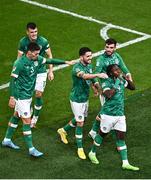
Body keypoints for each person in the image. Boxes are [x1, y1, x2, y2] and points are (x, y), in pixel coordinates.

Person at [2, 42, 74, 157]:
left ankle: (6, 140)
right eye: (35, 54)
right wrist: (12, 97)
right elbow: (12, 81)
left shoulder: (37, 59)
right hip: (21, 97)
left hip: (28, 95)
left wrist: (65, 62)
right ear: (29, 52)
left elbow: (50, 61)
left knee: (16, 116)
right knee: (27, 121)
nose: (37, 56)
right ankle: (31, 149)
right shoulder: (19, 63)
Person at [57, 47, 108, 160]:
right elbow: (84, 76)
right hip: (76, 99)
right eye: (88, 56)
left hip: (84, 98)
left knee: (80, 118)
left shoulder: (88, 66)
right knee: (80, 123)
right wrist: (98, 75)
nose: (90, 58)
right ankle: (80, 148)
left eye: (91, 55)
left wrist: (98, 89)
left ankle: (63, 130)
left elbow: (91, 79)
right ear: (81, 57)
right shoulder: (76, 68)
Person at [88, 64, 139, 171]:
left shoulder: (120, 79)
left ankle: (125, 163)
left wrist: (127, 79)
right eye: (116, 70)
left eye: (118, 69)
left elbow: (133, 87)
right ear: (110, 73)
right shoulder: (107, 82)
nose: (118, 71)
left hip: (120, 115)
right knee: (102, 134)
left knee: (121, 138)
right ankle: (92, 153)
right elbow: (108, 95)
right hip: (108, 115)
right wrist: (116, 84)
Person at [89, 38, 133, 139]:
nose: (108, 49)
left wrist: (129, 76)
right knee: (105, 110)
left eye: (111, 47)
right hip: (107, 88)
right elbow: (95, 74)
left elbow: (124, 67)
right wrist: (96, 87)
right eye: (107, 47)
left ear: (115, 48)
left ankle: (94, 130)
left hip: (117, 87)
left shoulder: (117, 56)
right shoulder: (101, 60)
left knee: (105, 109)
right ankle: (94, 131)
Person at [17, 22, 54, 128]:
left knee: (38, 94)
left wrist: (51, 71)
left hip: (41, 71)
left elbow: (49, 56)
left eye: (36, 31)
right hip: (28, 71)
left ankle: (35, 118)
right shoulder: (23, 42)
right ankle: (29, 109)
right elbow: (19, 58)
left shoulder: (43, 41)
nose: (34, 34)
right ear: (27, 32)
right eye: (32, 32)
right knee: (27, 94)